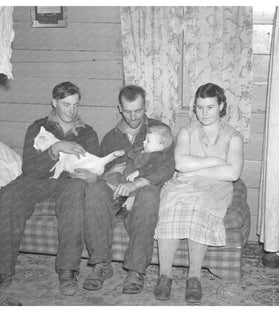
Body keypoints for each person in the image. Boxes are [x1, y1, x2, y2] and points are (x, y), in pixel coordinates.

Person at [0, 81, 102, 299]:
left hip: (68, 181)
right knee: (10, 192)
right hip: (37, 179)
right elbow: (30, 169)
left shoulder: (87, 133)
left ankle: (67, 271)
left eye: (75, 105)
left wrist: (93, 175)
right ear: (54, 102)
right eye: (65, 104)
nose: (71, 110)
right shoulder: (38, 127)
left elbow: (96, 167)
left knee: (75, 192)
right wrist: (54, 149)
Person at [153, 83, 244, 303]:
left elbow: (232, 173)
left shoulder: (233, 137)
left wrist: (197, 168)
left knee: (199, 204)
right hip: (184, 183)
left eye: (210, 107)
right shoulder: (186, 132)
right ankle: (164, 276)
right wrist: (214, 161)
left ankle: (194, 278)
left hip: (216, 187)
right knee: (171, 203)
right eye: (200, 107)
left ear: (221, 106)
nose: (204, 113)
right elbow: (180, 163)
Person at [81, 85, 175, 294]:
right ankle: (101, 264)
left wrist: (138, 182)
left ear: (145, 106)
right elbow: (99, 168)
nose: (133, 116)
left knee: (150, 195)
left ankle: (135, 270)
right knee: (95, 191)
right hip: (117, 189)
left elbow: (169, 166)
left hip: (144, 189)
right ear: (120, 109)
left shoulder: (160, 131)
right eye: (128, 111)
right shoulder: (111, 137)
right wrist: (108, 171)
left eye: (138, 110)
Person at [103, 125, 174, 219]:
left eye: (148, 141)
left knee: (130, 200)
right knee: (113, 181)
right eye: (145, 139)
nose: (144, 142)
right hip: (127, 178)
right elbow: (133, 158)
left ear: (161, 145)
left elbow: (150, 167)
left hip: (138, 184)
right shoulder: (143, 151)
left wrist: (138, 172)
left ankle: (121, 215)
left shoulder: (157, 156)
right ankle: (115, 207)